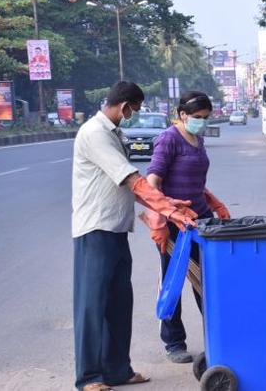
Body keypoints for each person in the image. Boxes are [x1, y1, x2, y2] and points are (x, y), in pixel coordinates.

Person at [72, 81, 197, 391]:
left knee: (118, 304)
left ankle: (117, 370)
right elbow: (132, 179)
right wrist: (167, 208)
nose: (134, 116)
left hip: (116, 229)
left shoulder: (114, 133)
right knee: (92, 305)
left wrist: (168, 204)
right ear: (124, 105)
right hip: (94, 229)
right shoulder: (94, 133)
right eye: (135, 110)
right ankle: (88, 378)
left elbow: (129, 186)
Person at [143, 91, 231, 364]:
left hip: (200, 219)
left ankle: (216, 336)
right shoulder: (169, 139)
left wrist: (213, 201)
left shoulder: (198, 139)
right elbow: (152, 182)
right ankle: (174, 342)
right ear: (182, 115)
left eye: (206, 118)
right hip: (173, 224)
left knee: (205, 279)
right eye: (197, 117)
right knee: (173, 282)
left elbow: (192, 180)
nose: (202, 122)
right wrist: (158, 221)